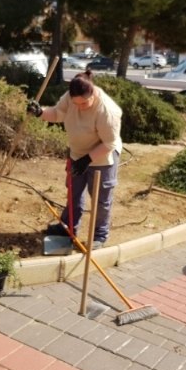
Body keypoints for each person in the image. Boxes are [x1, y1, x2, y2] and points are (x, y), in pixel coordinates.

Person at [26, 70, 122, 249]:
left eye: (84, 103)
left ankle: (99, 236)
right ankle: (68, 228)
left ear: (92, 93)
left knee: (101, 199)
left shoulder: (107, 112)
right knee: (74, 193)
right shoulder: (71, 98)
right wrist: (40, 113)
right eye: (76, 103)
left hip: (102, 158)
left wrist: (87, 160)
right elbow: (57, 114)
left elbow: (109, 143)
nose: (80, 107)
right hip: (77, 154)